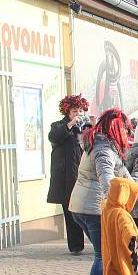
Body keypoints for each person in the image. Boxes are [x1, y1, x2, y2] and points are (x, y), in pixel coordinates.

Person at [69, 109, 132, 275]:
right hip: (92, 207)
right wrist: (114, 202)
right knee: (102, 254)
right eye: (123, 128)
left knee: (103, 253)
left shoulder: (102, 144)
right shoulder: (103, 149)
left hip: (83, 206)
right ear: (116, 128)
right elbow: (107, 178)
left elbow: (122, 173)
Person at [48, 94, 88, 255]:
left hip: (82, 176)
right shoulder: (58, 125)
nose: (77, 114)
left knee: (87, 211)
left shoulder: (83, 128)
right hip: (66, 178)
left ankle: (94, 241)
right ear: (67, 112)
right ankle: (76, 245)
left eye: (79, 111)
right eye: (74, 111)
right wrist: (70, 124)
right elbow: (54, 137)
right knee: (71, 212)